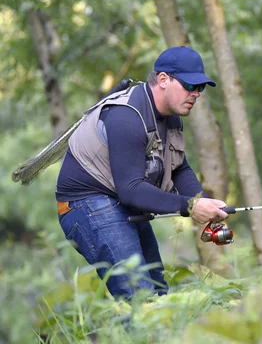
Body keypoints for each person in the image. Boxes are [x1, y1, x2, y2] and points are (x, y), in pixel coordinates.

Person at [55, 46, 229, 300]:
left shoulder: (172, 117)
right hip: (85, 204)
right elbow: (131, 190)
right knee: (139, 296)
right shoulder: (126, 116)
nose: (195, 94)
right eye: (190, 85)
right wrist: (191, 207)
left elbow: (179, 167)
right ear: (163, 80)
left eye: (200, 88)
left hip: (119, 202)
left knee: (157, 292)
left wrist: (203, 202)